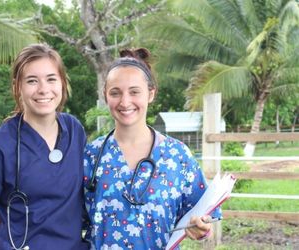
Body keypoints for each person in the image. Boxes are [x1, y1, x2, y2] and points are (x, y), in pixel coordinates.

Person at [82, 48, 220, 249]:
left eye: (134, 91)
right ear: (105, 95)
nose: (125, 101)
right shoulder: (90, 156)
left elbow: (205, 221)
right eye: (115, 93)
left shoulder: (177, 156)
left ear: (151, 93)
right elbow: (70, 220)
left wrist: (202, 229)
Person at [0, 43, 90, 250]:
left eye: (51, 79)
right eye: (32, 81)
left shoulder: (75, 131)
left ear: (62, 83)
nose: (43, 89)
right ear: (16, 87)